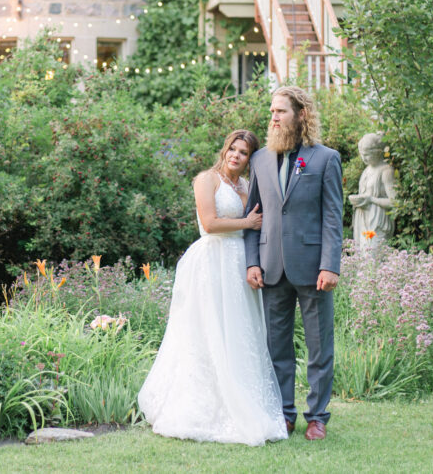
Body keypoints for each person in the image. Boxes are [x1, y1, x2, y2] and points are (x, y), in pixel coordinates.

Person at [138, 130, 287, 445]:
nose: (236, 155)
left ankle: (242, 401)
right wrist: (248, 223)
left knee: (239, 332)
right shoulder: (207, 179)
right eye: (233, 149)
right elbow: (210, 222)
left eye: (244, 152)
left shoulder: (246, 186)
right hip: (211, 261)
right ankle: (200, 405)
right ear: (225, 149)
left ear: (250, 159)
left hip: (239, 265)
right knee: (207, 332)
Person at [244, 86, 343, 442]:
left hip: (313, 267)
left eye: (280, 112)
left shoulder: (325, 159)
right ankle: (283, 414)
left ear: (301, 115)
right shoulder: (259, 161)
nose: (273, 118)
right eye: (271, 112)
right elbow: (252, 216)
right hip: (270, 268)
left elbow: (333, 217)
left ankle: (317, 416)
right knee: (277, 347)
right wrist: (252, 261)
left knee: (319, 347)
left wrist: (330, 265)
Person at [349, 132, 395, 247]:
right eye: (362, 154)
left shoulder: (386, 171)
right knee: (362, 258)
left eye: (367, 154)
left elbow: (394, 202)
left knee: (374, 259)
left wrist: (371, 200)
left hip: (378, 221)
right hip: (363, 219)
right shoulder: (367, 170)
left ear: (378, 153)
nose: (363, 158)